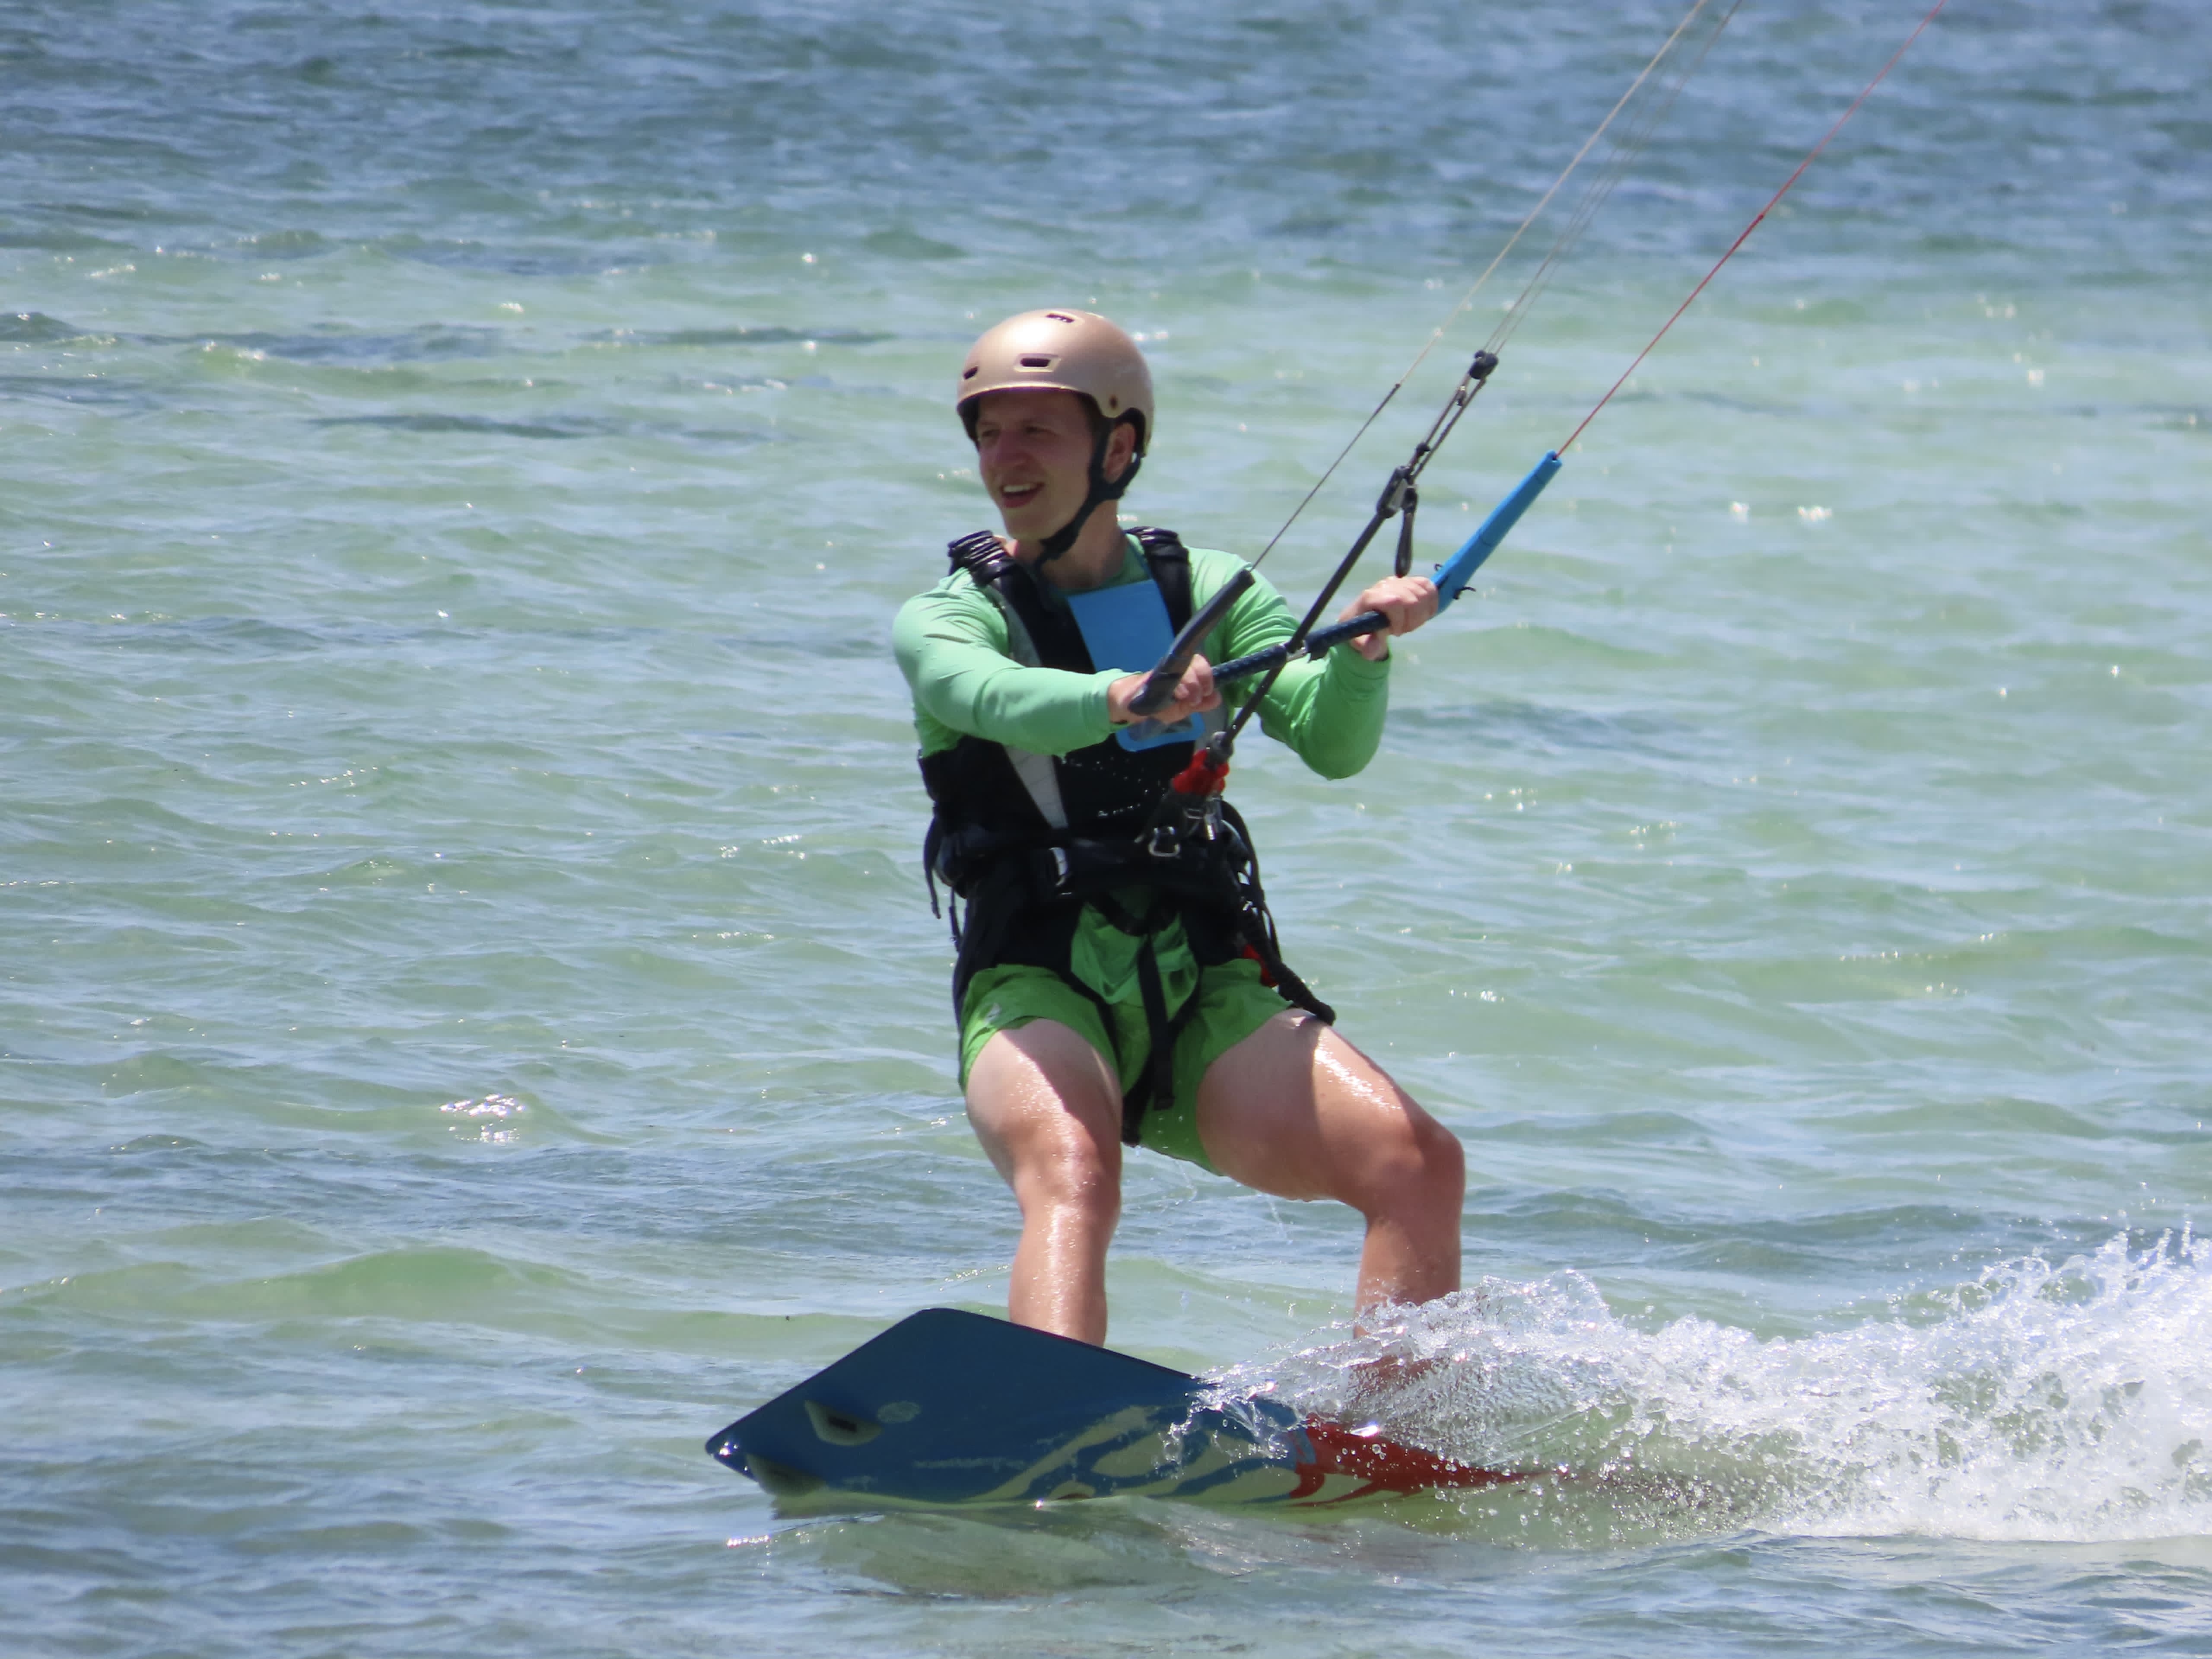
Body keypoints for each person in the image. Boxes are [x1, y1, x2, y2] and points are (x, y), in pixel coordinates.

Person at [893, 308, 1464, 1346]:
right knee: (1076, 1174)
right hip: (1038, 974)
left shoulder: (1202, 589)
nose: (1004, 460)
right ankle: (1048, 1413)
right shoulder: (949, 615)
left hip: (1198, 976)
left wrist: (1365, 653)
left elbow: (1332, 744)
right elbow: (981, 694)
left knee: (1416, 1162)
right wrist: (1122, 697)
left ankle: (1390, 1443)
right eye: (987, 433)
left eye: (1037, 431)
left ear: (1118, 448)